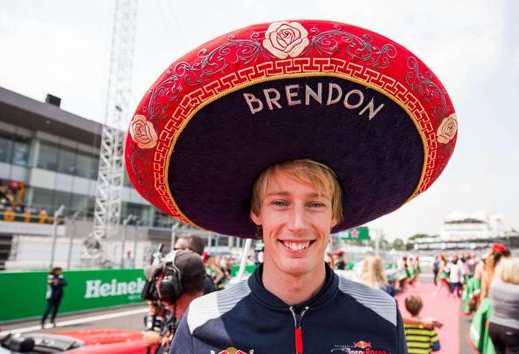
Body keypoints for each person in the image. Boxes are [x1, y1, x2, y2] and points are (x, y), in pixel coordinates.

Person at [124, 20, 457, 354]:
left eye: (315, 204)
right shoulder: (202, 322)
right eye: (280, 203)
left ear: (335, 216)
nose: (297, 224)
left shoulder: (382, 314)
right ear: (257, 213)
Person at [142, 250, 205, 354]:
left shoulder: (197, 334)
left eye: (159, 279)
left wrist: (161, 340)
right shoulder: (182, 319)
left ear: (170, 286)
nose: (156, 285)